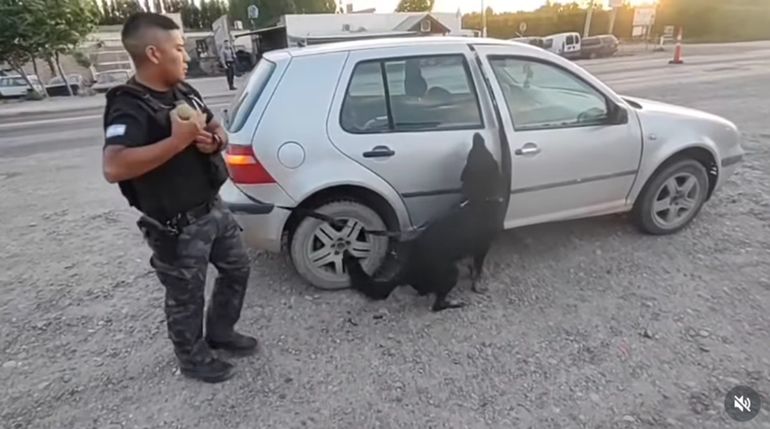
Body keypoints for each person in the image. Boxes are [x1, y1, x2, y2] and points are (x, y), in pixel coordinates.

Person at [101, 12, 256, 384]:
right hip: (176, 225)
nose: (186, 57)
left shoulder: (185, 90)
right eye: (180, 48)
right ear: (154, 53)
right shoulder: (129, 105)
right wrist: (177, 141)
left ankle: (221, 332)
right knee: (185, 296)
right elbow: (114, 166)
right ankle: (193, 358)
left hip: (213, 209)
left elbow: (217, 128)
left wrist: (213, 141)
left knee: (238, 270)